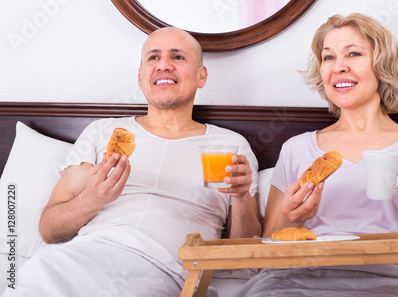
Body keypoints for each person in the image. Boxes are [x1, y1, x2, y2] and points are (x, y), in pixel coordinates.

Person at [4, 27, 261, 297]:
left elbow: (246, 256)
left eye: (177, 57)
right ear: (140, 78)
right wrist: (92, 198)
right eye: (153, 58)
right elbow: (48, 230)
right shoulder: (102, 133)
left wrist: (242, 196)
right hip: (79, 256)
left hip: (164, 270)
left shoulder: (230, 145)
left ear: (201, 76)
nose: (164, 65)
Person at [235, 13, 398, 297]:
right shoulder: (297, 148)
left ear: (382, 64)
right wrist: (293, 219)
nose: (338, 67)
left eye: (353, 54)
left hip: (394, 281)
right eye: (328, 58)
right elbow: (267, 254)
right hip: (293, 280)